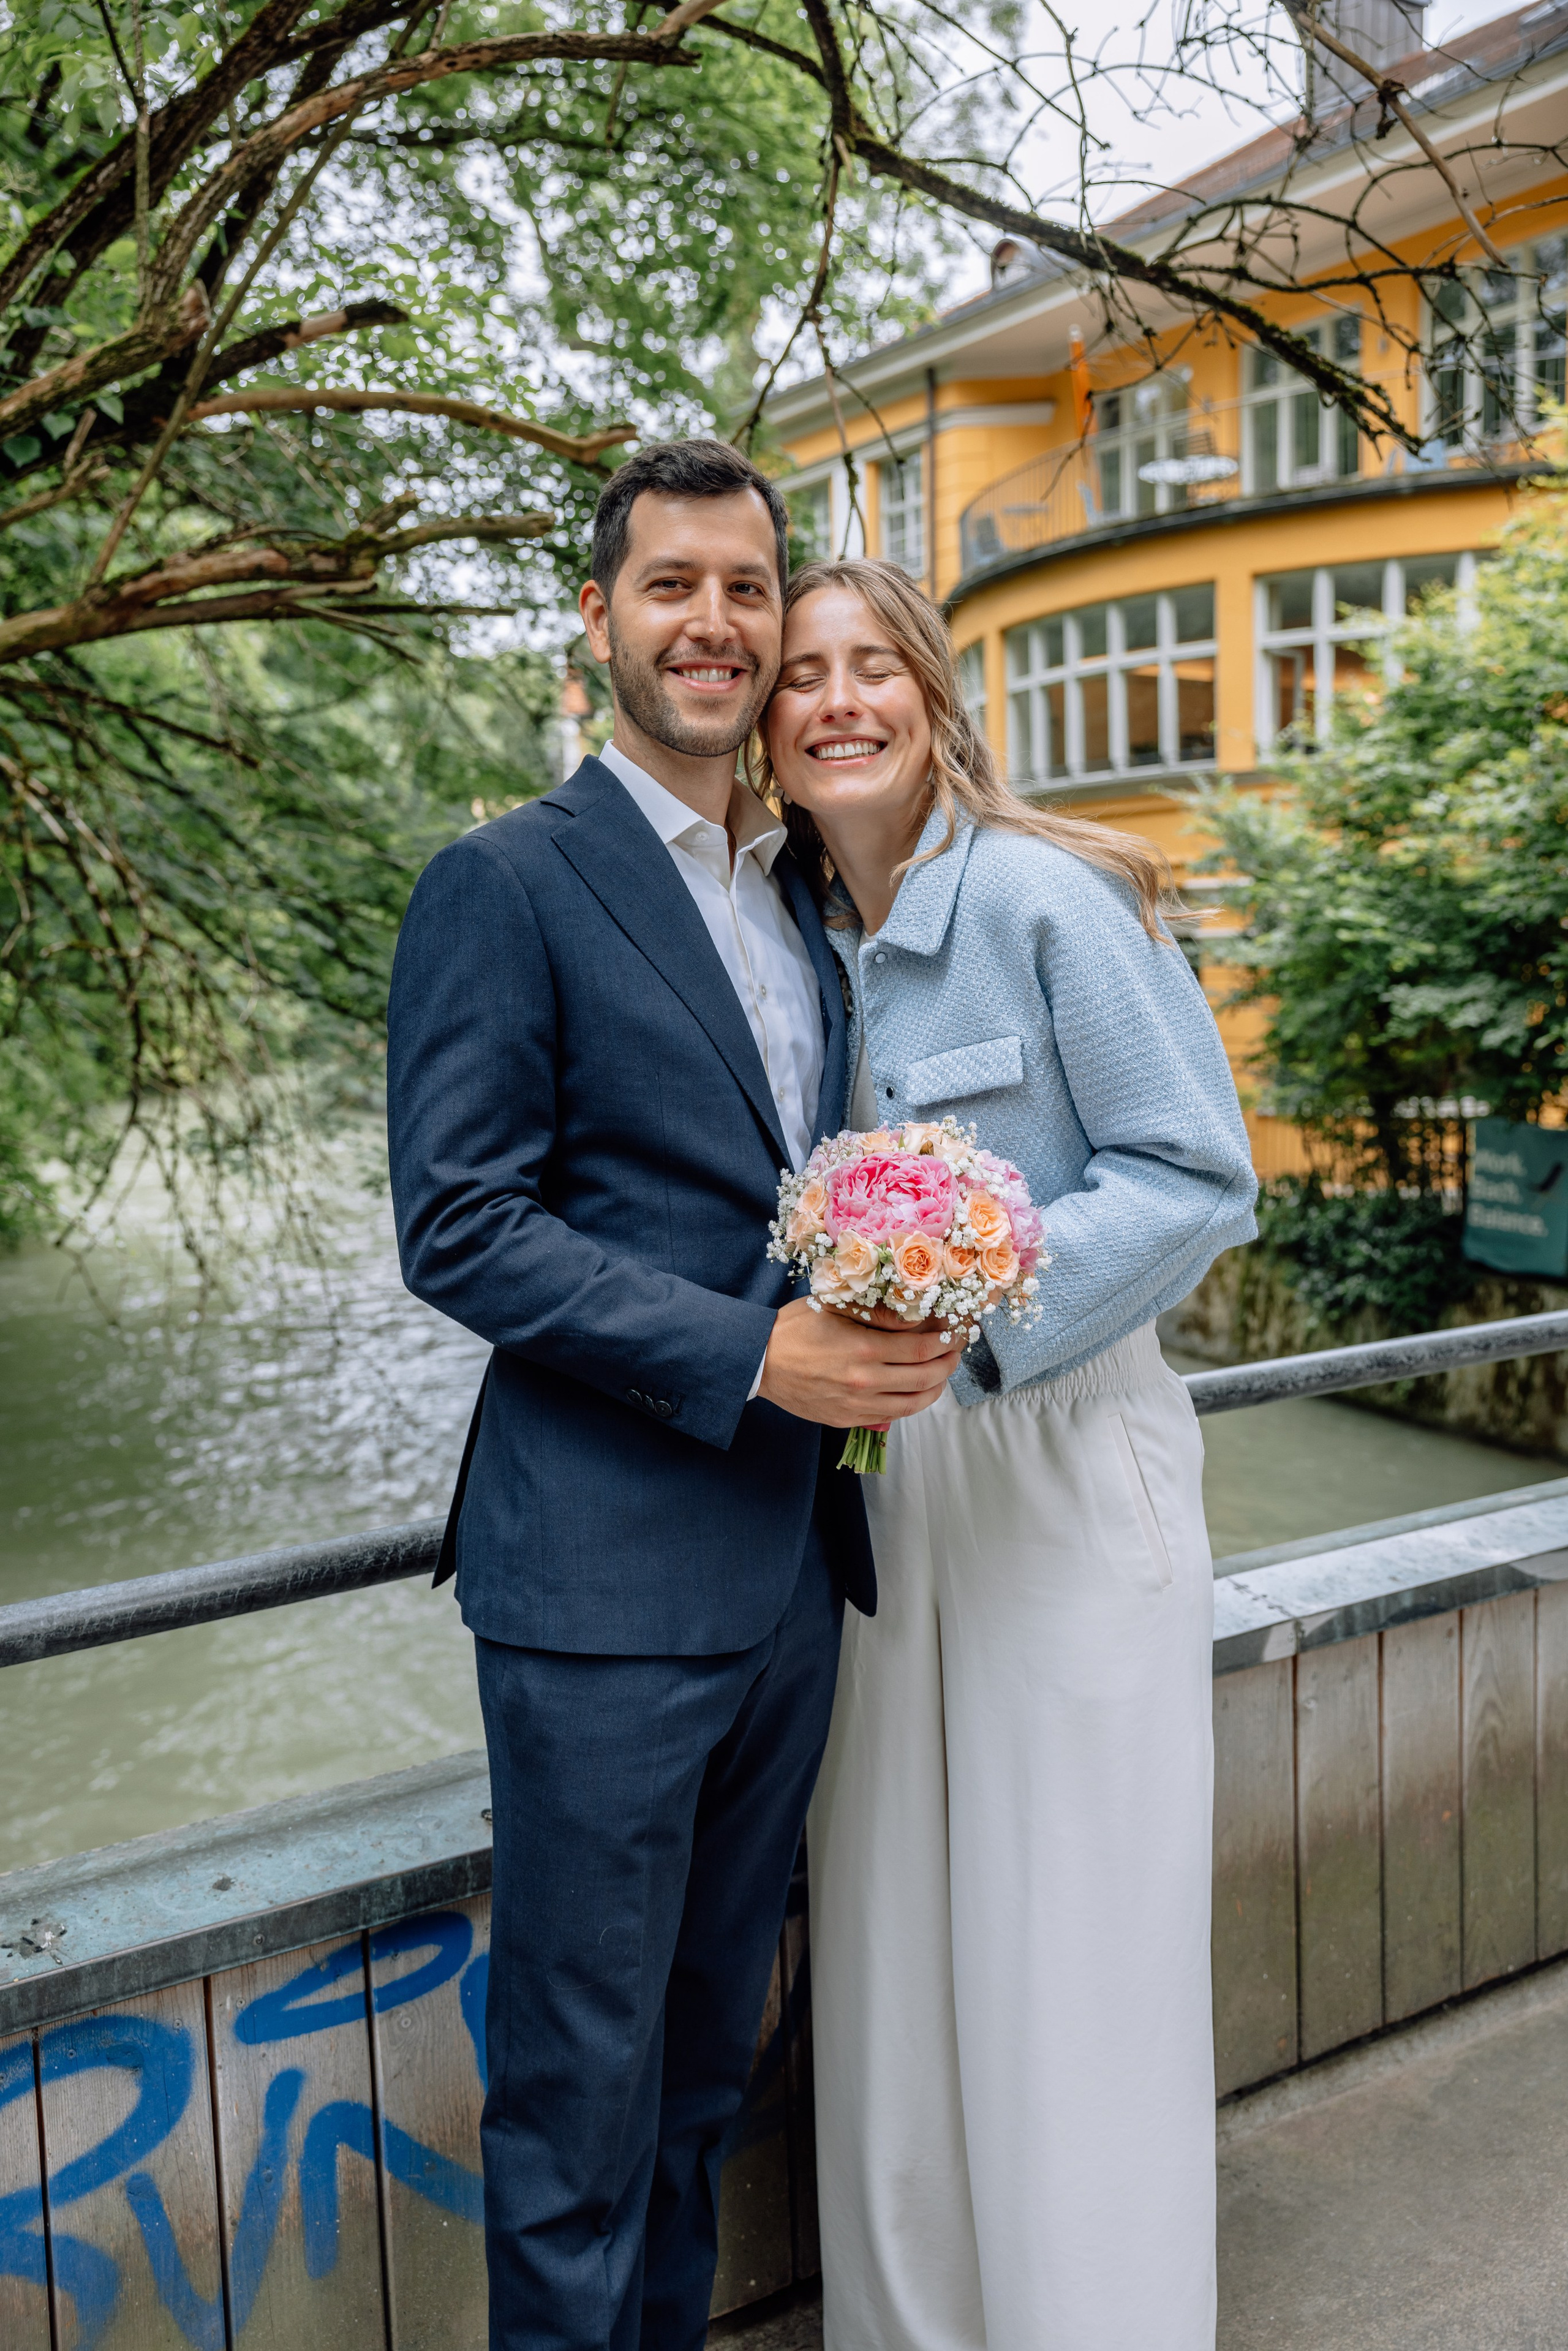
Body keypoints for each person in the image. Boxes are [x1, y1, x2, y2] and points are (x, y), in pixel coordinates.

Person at [386, 450, 956, 2351]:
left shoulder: (800, 899)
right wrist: (752, 1353)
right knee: (576, 2108)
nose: (714, 625)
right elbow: (459, 1225)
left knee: (707, 2077)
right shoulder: (503, 882)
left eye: (745, 592)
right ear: (599, 620)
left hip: (795, 1578)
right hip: (602, 1600)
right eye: (672, 587)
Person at [755, 557, 1259, 2351]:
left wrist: (986, 1304)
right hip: (884, 1495)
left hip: (1059, 1452)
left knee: (1073, 1967)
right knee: (894, 1956)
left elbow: (1202, 1174)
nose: (837, 701)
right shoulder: (790, 935)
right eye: (801, 675)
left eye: (872, 666)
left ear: (935, 693)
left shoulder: (1050, 896)